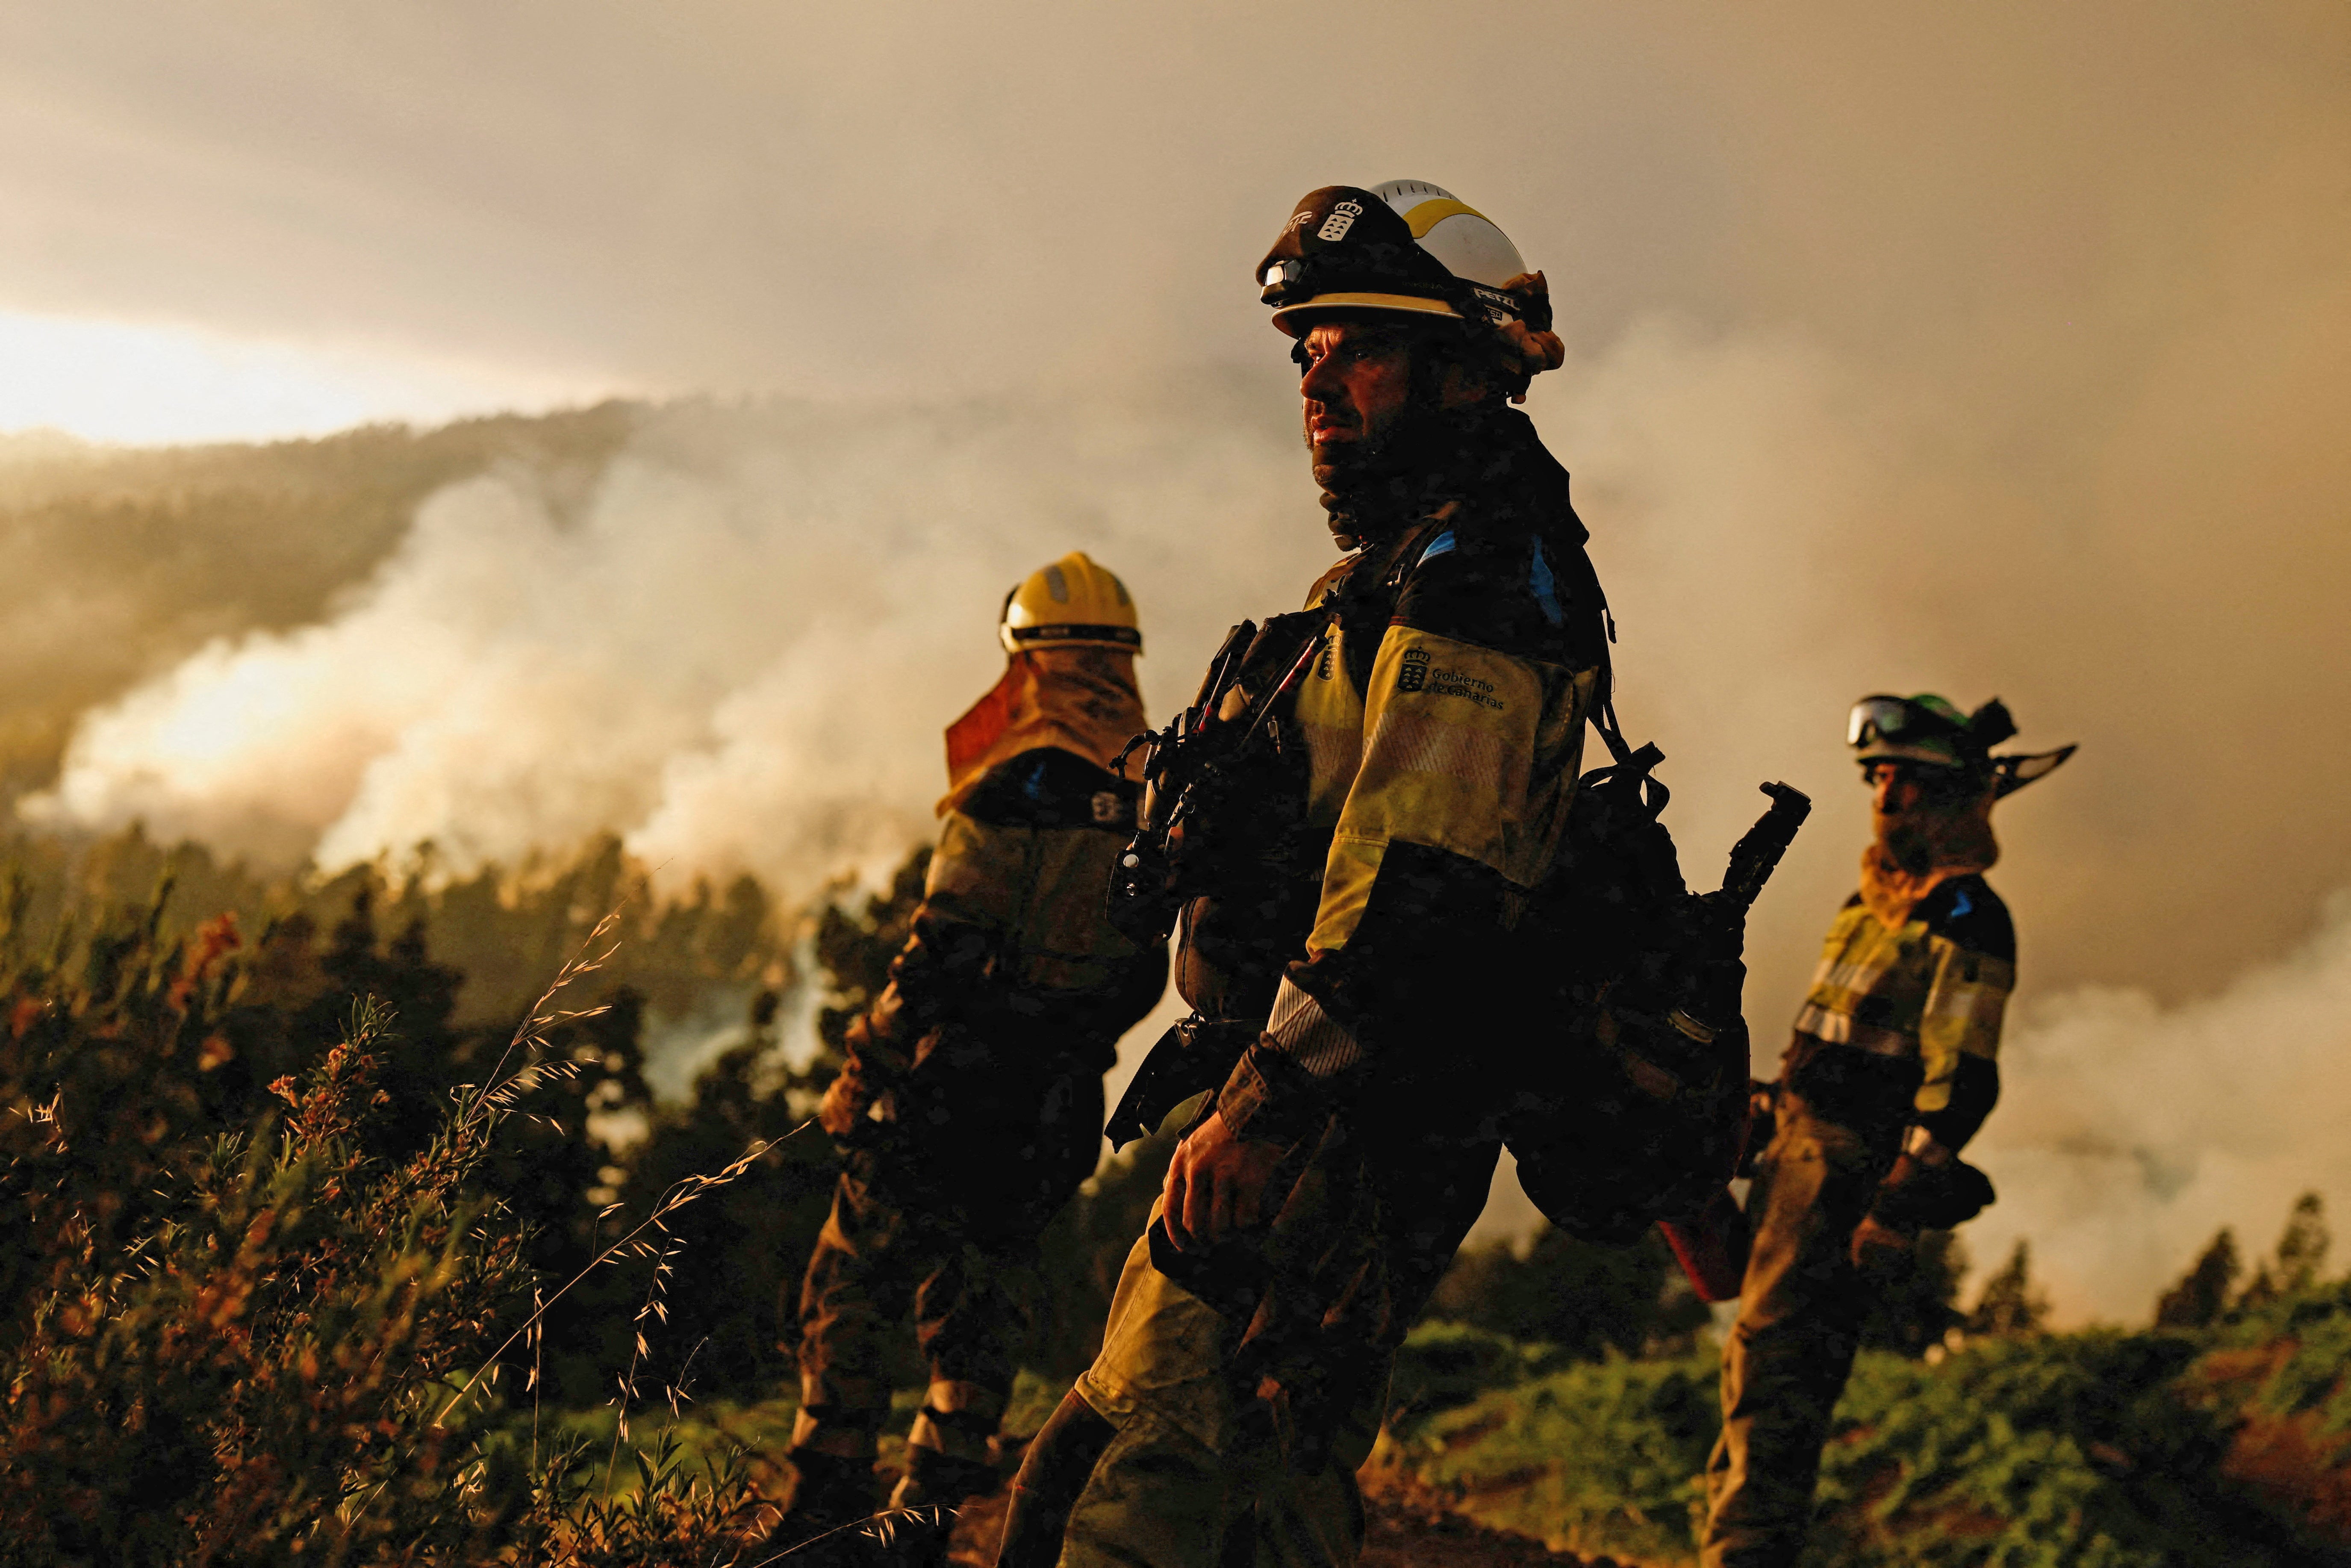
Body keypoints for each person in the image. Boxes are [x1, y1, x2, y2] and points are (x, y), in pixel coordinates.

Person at [997, 180, 1601, 1568]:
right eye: (1307, 348)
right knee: (1229, 1481)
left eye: (1363, 346)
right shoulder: (1396, 578)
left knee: (1166, 1495)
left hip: (1348, 1131)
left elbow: (1420, 897)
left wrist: (1264, 1106)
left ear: (1465, 373)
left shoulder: (1488, 590)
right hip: (1298, 1103)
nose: (1318, 380)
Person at [775, 552, 1169, 1537]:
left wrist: (869, 1060)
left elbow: (947, 941)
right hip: (1062, 1093)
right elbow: (1144, 967)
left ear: (1027, 660)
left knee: (852, 1273)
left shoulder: (1012, 786)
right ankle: (929, 1512)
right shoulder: (1154, 792)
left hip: (950, 1078)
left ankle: (825, 1511)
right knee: (986, 1289)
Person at [1698, 693, 2073, 1568]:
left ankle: (1741, 1556)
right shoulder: (1866, 903)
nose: (1882, 798)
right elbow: (1830, 1036)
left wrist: (1895, 1204)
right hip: (1791, 1149)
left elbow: (1961, 1078)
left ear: (1952, 799)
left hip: (1845, 1175)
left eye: (1904, 781)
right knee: (1751, 1361)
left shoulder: (1965, 919)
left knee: (1781, 1375)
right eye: (1874, 777)